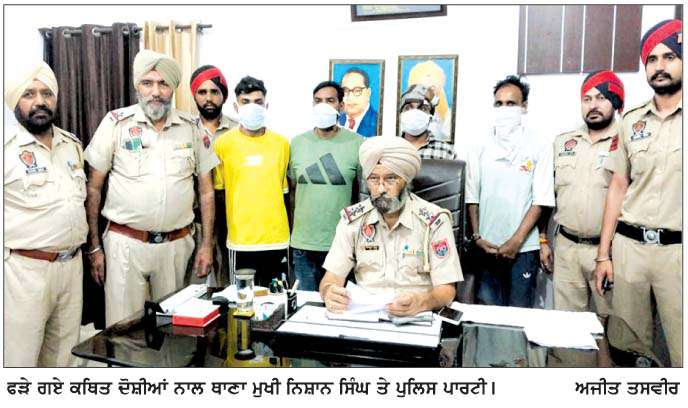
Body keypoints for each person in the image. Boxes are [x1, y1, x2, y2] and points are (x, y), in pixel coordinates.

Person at [85, 49, 218, 326]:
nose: (155, 92)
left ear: (173, 89)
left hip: (176, 246)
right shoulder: (116, 123)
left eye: (163, 84)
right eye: (148, 83)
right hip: (125, 244)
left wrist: (206, 245)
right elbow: (93, 188)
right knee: (122, 329)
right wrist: (94, 247)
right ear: (137, 87)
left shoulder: (192, 127)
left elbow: (206, 191)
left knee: (173, 328)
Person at [594, 19, 682, 367]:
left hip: (678, 254)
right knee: (629, 352)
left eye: (669, 57)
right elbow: (618, 187)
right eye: (652, 59)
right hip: (630, 250)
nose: (660, 66)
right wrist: (603, 256)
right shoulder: (631, 121)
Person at [319, 136, 462, 316]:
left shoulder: (434, 221)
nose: (380, 189)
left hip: (417, 315)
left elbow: (446, 290)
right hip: (365, 315)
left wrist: (422, 302)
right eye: (373, 179)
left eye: (391, 179)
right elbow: (331, 278)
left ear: (406, 181)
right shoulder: (352, 221)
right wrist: (329, 292)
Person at [4, 62, 87, 366]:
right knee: (20, 359)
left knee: (65, 358)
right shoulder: (5, 149)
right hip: (23, 272)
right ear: (15, 101)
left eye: (46, 93)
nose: (40, 101)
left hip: (71, 267)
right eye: (29, 94)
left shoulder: (72, 145)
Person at [548, 70, 624, 367]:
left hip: (611, 252)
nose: (593, 105)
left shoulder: (626, 141)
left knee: (611, 327)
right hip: (567, 247)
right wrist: (543, 240)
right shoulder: (563, 142)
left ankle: (605, 384)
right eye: (587, 98)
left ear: (615, 102)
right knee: (569, 327)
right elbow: (548, 195)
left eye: (601, 98)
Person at [466, 75, 554, 308]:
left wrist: (516, 241)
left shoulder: (540, 144)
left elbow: (541, 199)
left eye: (511, 103)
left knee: (519, 314)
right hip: (486, 247)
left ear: (524, 106)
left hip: (524, 249)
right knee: (486, 315)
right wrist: (477, 237)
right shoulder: (478, 143)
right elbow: (472, 195)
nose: (504, 109)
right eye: (499, 103)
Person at [213, 76, 290, 287]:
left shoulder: (282, 144)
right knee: (242, 301)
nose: (252, 107)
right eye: (245, 102)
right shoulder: (223, 144)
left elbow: (285, 193)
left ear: (266, 106)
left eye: (258, 102)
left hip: (277, 240)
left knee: (277, 300)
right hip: (241, 241)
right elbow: (219, 194)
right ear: (236, 106)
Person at [288, 81, 363, 291]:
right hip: (303, 245)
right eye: (318, 101)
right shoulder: (296, 143)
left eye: (330, 100)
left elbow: (361, 196)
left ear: (341, 106)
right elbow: (291, 192)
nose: (323, 105)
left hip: (343, 244)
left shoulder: (358, 143)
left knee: (340, 304)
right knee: (306, 306)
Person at [189, 65, 238, 286]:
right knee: (193, 284)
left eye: (214, 92)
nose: (208, 98)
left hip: (230, 215)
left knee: (227, 283)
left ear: (223, 95)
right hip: (194, 218)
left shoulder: (238, 130)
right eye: (202, 92)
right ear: (194, 96)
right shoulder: (186, 129)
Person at [399, 83, 457, 160]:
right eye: (408, 108)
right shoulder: (390, 150)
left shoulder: (447, 152)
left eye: (423, 108)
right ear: (401, 115)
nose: (415, 112)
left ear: (430, 116)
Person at [407, 60, 452, 142]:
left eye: (432, 88)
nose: (428, 94)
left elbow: (446, 137)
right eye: (423, 88)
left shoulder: (448, 116)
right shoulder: (406, 115)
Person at [338, 68, 378, 137]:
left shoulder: (378, 122)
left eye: (357, 90)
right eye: (345, 90)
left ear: (368, 93)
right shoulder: (336, 120)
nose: (350, 97)